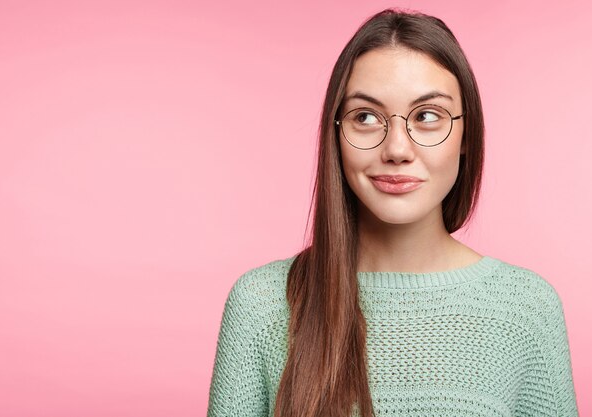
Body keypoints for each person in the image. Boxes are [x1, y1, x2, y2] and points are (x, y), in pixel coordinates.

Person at [207, 8, 578, 417]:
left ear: (466, 135)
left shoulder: (527, 309)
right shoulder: (261, 304)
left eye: (428, 117)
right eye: (365, 117)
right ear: (336, 135)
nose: (397, 149)